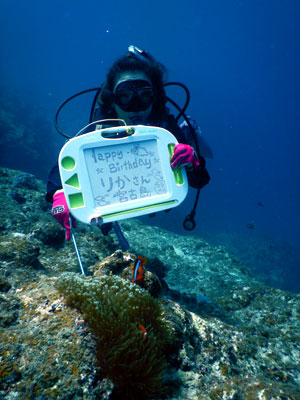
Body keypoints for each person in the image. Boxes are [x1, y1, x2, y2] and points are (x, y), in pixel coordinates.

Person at [46, 46, 210, 240]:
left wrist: (192, 164)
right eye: (125, 96)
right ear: (113, 101)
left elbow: (200, 180)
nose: (135, 107)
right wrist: (58, 194)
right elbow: (65, 165)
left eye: (144, 95)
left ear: (154, 98)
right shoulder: (102, 126)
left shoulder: (164, 127)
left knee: (186, 136)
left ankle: (190, 128)